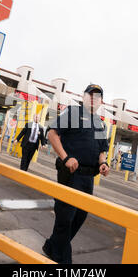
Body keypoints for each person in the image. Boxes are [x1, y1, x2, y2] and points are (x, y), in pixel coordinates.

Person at [42, 84, 110, 264]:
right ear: (84, 96)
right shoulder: (73, 112)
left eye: (97, 97)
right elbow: (52, 134)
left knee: (79, 217)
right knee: (65, 217)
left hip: (88, 177)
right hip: (70, 173)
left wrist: (103, 163)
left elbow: (102, 149)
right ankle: (63, 261)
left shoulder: (100, 123)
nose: (94, 99)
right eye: (91, 95)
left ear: (101, 101)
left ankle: (51, 246)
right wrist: (66, 158)